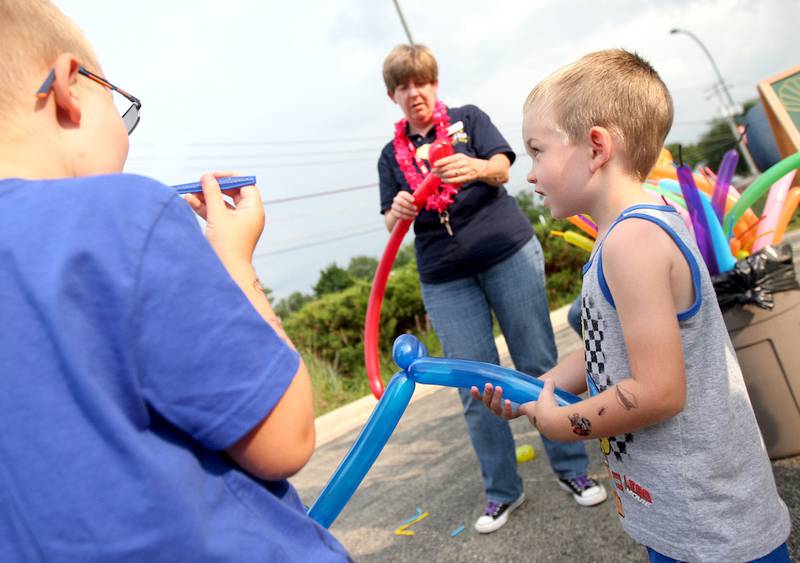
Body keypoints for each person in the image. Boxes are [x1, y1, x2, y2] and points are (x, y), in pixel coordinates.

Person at [0, 1, 349, 560]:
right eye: (122, 107)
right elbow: (287, 439)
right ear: (69, 87)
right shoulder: (123, 214)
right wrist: (235, 262)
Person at [475, 49, 791, 562]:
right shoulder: (639, 227)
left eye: (537, 150)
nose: (528, 174)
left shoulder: (632, 243)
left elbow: (659, 391)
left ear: (596, 146)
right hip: (683, 517)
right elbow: (608, 342)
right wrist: (540, 388)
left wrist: (565, 422)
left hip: (711, 531)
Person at [377, 43, 606, 534]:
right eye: (403, 86)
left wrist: (476, 167)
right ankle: (503, 491)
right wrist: (396, 210)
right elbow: (389, 217)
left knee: (538, 360)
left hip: (507, 250)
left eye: (421, 81)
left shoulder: (468, 119)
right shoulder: (388, 155)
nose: (414, 92)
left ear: (434, 84)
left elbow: (504, 167)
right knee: (472, 382)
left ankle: (573, 468)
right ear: (393, 95)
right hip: (443, 274)